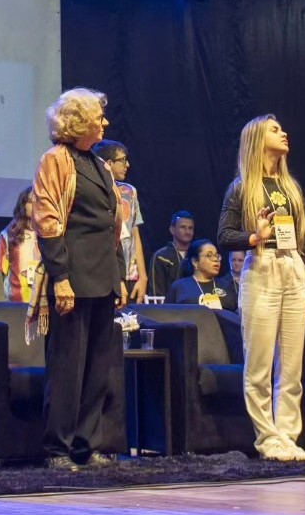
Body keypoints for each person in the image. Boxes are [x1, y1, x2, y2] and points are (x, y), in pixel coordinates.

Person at [28, 88, 126, 472]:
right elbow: (48, 221)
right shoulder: (56, 160)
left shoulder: (99, 165)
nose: (105, 123)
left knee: (99, 367)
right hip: (72, 277)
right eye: (99, 117)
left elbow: (112, 226)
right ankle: (58, 447)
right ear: (80, 121)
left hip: (102, 276)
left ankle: (88, 444)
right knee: (67, 367)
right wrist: (61, 279)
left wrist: (117, 279)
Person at [217, 114, 305, 461]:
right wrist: (254, 236)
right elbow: (224, 235)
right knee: (259, 364)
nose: (284, 132)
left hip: (293, 269)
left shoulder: (291, 186)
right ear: (258, 139)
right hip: (261, 268)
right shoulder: (243, 186)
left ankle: (288, 434)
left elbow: (302, 238)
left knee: (291, 366)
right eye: (275, 129)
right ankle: (267, 438)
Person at [93, 140, 148, 303]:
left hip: (131, 274)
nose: (127, 164)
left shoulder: (129, 192)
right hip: (105, 274)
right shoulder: (95, 192)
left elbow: (134, 234)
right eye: (122, 160)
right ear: (108, 163)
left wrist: (142, 276)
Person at [0, 187, 40, 302]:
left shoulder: (49, 236)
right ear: (22, 204)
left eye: (38, 201)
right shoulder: (8, 235)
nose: (34, 205)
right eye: (30, 201)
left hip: (42, 306)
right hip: (14, 306)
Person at [165, 239, 238, 311]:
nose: (216, 259)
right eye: (209, 255)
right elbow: (168, 316)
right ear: (195, 262)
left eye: (216, 255)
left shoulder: (226, 286)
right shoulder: (179, 287)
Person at [148, 211, 195, 297]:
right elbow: (156, 294)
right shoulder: (161, 256)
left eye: (190, 228)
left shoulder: (197, 256)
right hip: (169, 308)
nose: (188, 232)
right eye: (183, 227)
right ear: (172, 230)